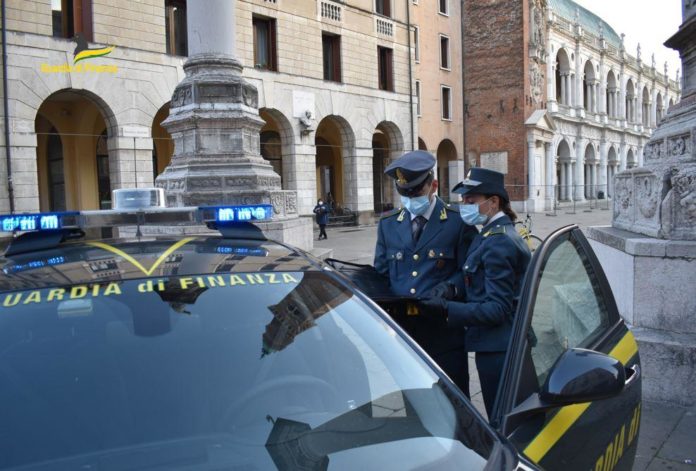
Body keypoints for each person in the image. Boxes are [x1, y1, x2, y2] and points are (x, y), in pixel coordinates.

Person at [420, 168, 531, 417]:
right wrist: (451, 288)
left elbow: (497, 308)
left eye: (471, 200)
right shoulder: (492, 234)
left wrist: (447, 310)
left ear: (493, 202)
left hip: (499, 349)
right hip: (496, 344)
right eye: (462, 200)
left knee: (501, 418)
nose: (464, 206)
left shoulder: (499, 242)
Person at [374, 150, 478, 396]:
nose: (410, 198)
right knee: (411, 403)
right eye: (405, 193)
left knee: (453, 404)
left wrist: (448, 289)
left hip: (443, 334)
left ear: (434, 185)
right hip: (402, 335)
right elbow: (381, 275)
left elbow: (468, 274)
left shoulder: (457, 222)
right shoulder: (388, 225)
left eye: (416, 191)